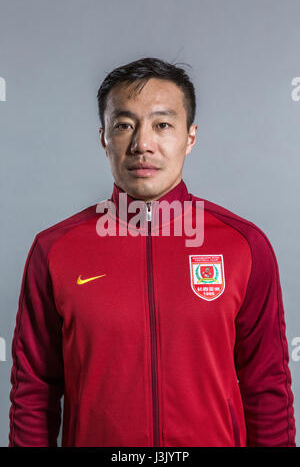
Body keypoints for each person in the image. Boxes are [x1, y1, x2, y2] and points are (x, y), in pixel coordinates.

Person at [8, 57, 296, 447]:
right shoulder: (54, 249)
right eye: (124, 125)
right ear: (103, 137)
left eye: (162, 124)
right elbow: (34, 390)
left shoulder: (244, 245)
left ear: (190, 137)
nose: (143, 144)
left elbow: (267, 384)